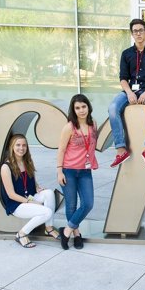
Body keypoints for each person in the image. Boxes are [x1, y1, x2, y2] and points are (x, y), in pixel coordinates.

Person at [108, 18, 145, 168]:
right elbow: (123, 78)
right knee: (113, 107)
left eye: (141, 30)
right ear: (132, 34)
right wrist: (128, 93)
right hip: (130, 91)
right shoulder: (126, 54)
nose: (138, 33)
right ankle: (121, 149)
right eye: (135, 31)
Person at [0, 134, 60, 248]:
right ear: (12, 146)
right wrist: (30, 202)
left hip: (29, 196)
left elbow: (30, 178)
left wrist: (37, 186)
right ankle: (21, 234)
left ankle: (49, 228)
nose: (21, 148)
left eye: (24, 145)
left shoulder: (27, 161)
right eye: (18, 145)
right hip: (17, 204)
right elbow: (11, 194)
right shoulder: (6, 167)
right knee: (47, 212)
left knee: (49, 193)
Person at [57, 94, 98, 250]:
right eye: (77, 108)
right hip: (69, 170)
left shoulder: (93, 124)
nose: (81, 110)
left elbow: (92, 145)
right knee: (71, 205)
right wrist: (59, 172)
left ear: (88, 107)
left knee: (88, 203)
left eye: (83, 106)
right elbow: (61, 150)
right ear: (73, 110)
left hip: (85, 171)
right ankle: (76, 234)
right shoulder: (69, 127)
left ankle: (66, 231)